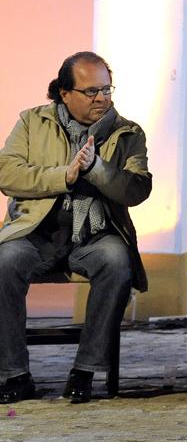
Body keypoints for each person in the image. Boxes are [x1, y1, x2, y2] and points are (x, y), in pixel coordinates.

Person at [0, 52, 151, 404]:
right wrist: (63, 176)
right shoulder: (32, 122)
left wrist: (96, 167)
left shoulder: (127, 132)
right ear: (64, 93)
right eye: (90, 91)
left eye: (106, 89)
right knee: (5, 263)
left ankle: (85, 370)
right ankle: (14, 373)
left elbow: (136, 190)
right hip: (36, 233)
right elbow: (7, 174)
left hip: (93, 236)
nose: (102, 98)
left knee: (117, 261)